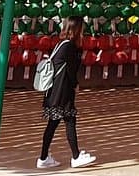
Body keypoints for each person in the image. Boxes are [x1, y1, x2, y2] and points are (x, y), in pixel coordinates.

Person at [37, 17, 96, 170]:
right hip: (63, 91)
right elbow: (71, 70)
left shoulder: (61, 44)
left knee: (53, 123)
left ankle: (43, 158)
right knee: (69, 120)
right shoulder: (69, 46)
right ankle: (76, 156)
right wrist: (75, 84)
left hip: (54, 92)